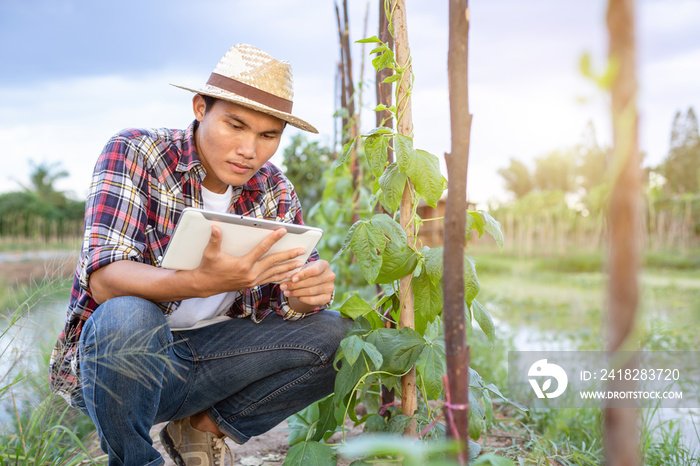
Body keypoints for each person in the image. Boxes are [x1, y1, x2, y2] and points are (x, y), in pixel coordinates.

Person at [49, 43, 352, 466]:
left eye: (268, 136)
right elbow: (103, 278)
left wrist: (307, 291)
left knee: (341, 336)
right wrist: (204, 281)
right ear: (199, 107)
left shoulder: (273, 188)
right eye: (235, 125)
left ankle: (202, 429)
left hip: (214, 364)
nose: (250, 149)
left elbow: (285, 303)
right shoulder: (137, 153)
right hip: (119, 371)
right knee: (127, 315)